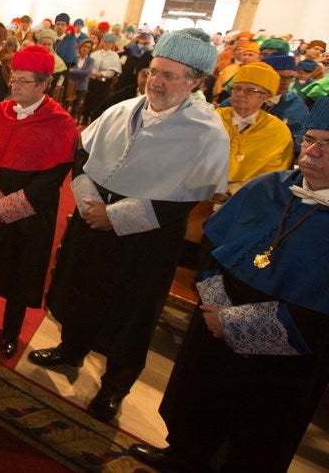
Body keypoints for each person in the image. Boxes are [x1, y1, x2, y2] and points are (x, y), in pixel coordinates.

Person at [30, 29, 229, 422]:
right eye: (154, 71)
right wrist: (89, 203)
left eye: (170, 76)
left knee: (131, 315)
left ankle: (113, 388)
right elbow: (83, 154)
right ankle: (71, 349)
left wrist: (115, 217)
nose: (156, 81)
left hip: (146, 241)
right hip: (92, 220)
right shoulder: (123, 108)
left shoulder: (206, 133)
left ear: (195, 82)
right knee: (82, 291)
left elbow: (184, 200)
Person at [130, 97, 329, 472]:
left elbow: (317, 314)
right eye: (311, 139)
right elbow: (211, 248)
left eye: (328, 144)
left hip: (285, 353)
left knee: (255, 438)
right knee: (199, 405)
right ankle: (180, 458)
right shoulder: (267, 188)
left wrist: (234, 323)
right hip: (216, 323)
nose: (313, 151)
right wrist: (215, 306)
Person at [0, 45, 78, 358]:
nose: (15, 87)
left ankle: (10, 331)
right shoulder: (0, 111)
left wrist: (14, 204)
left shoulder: (60, 122)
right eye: (14, 80)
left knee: (20, 274)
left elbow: (55, 175)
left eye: (23, 82)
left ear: (43, 86)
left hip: (32, 212)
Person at [213, 62, 293, 202]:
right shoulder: (213, 118)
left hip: (249, 200)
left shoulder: (277, 131)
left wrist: (234, 190)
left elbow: (274, 174)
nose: (240, 94)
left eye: (250, 90)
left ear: (265, 97)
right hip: (201, 194)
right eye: (236, 88)